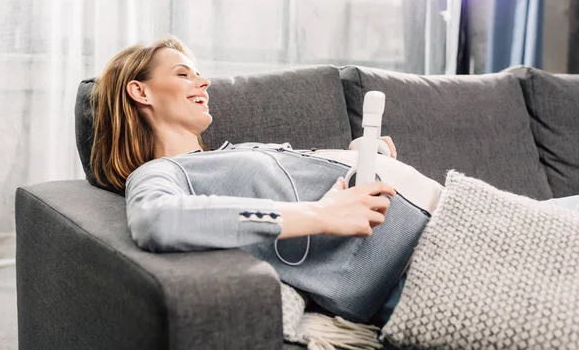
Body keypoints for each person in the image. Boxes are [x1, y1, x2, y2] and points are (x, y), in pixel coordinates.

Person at [89, 36, 579, 326]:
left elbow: (298, 186)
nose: (205, 82)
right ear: (140, 91)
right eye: (183, 73)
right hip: (431, 259)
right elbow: (157, 222)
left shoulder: (231, 154)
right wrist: (319, 216)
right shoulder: (161, 174)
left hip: (467, 217)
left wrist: (353, 160)